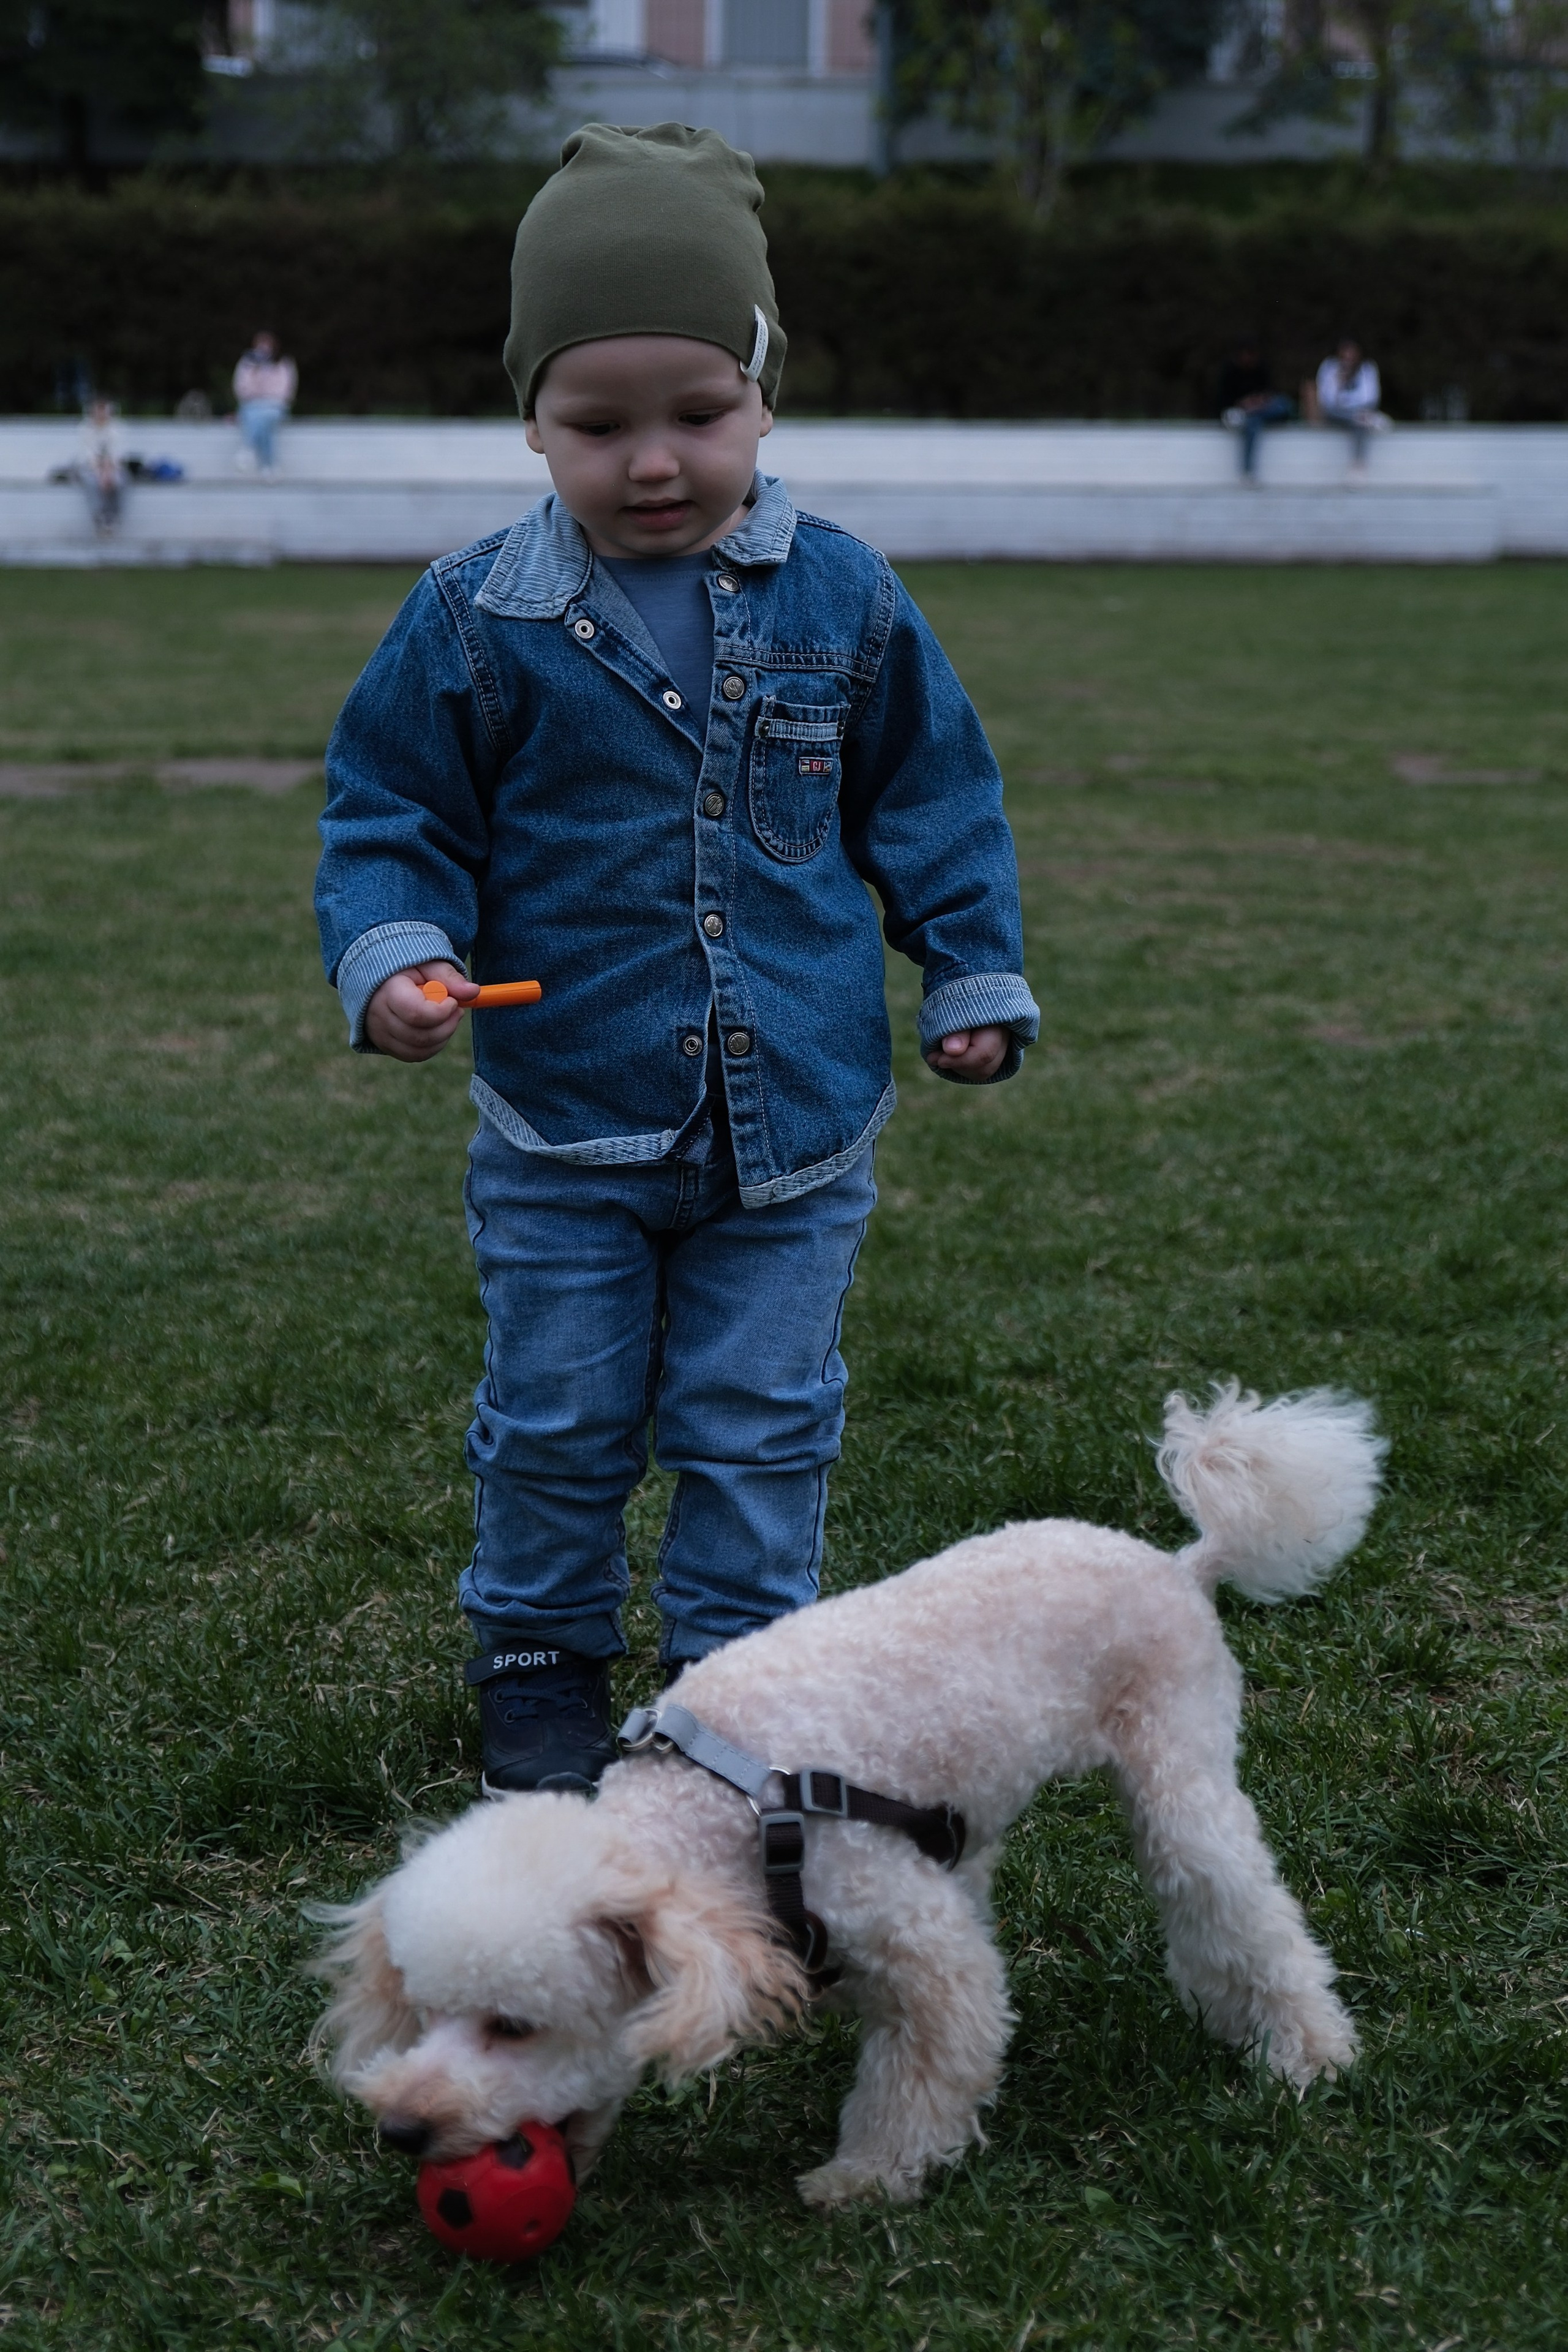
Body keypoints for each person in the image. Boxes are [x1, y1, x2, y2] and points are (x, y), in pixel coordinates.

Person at [314, 124, 1039, 1798]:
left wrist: (973, 972)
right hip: (568, 1130)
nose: (655, 461)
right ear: (531, 422)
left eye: (697, 416)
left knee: (763, 1418)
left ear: (765, 395)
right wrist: (398, 953)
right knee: (559, 1415)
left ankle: (735, 1684)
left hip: (795, 1125)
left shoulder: (845, 600)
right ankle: (541, 1654)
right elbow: (389, 815)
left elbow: (931, 795)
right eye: (598, 424)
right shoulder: (475, 619)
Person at [1218, 336, 1294, 481]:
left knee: (1284, 404)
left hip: (1261, 410)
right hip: (1240, 413)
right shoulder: (1229, 371)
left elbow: (1270, 393)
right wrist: (1243, 404)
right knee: (1252, 423)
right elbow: (1222, 401)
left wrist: (1259, 401)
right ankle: (1248, 472)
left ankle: (1248, 472)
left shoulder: (1261, 367)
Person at [1311, 339, 1389, 478]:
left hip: (1359, 413)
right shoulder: (1330, 367)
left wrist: (1352, 408)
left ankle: (1357, 468)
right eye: (1345, 354)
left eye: (1352, 354)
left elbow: (1371, 397)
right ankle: (1367, 419)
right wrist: (1339, 382)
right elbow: (1326, 400)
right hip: (1335, 414)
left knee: (1359, 424)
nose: (1348, 358)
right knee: (1359, 418)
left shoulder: (1367, 368)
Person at [232, 330, 297, 477]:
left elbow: (285, 390)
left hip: (274, 405)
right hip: (253, 405)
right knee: (264, 424)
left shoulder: (283, 363)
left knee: (264, 415)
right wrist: (255, 373)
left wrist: (266, 395)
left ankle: (248, 448)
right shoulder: (248, 363)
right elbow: (242, 388)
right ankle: (269, 466)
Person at [74, 396, 126, 536]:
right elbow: (87, 456)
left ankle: (113, 517)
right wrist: (100, 472)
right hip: (90, 469)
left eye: (104, 410)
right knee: (92, 482)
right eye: (99, 410)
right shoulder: (85, 429)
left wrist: (107, 472)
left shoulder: (116, 428)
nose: (101, 414)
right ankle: (99, 517)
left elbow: (117, 454)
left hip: (111, 468)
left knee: (120, 482)